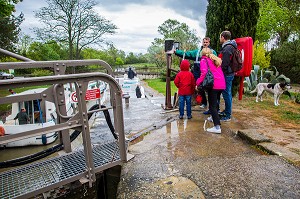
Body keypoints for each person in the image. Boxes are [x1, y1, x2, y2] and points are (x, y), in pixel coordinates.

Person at [174, 37, 217, 109]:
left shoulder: (213, 52)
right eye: (204, 42)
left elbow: (216, 63)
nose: (205, 43)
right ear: (202, 43)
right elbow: (186, 54)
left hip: (209, 75)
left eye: (207, 42)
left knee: (210, 91)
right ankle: (204, 103)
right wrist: (176, 52)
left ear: (209, 43)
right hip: (198, 74)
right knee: (200, 90)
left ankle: (212, 106)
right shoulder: (197, 52)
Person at [196, 47, 225, 133]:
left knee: (212, 106)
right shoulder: (215, 59)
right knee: (215, 103)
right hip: (221, 84)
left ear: (202, 54)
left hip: (213, 85)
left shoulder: (204, 60)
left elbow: (204, 73)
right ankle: (213, 117)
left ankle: (217, 127)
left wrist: (197, 83)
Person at [218, 31, 237, 122]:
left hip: (227, 74)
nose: (219, 39)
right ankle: (226, 111)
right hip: (230, 73)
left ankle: (227, 115)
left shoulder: (227, 48)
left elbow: (224, 64)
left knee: (226, 94)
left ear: (223, 37)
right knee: (227, 93)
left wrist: (220, 72)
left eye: (220, 37)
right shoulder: (231, 46)